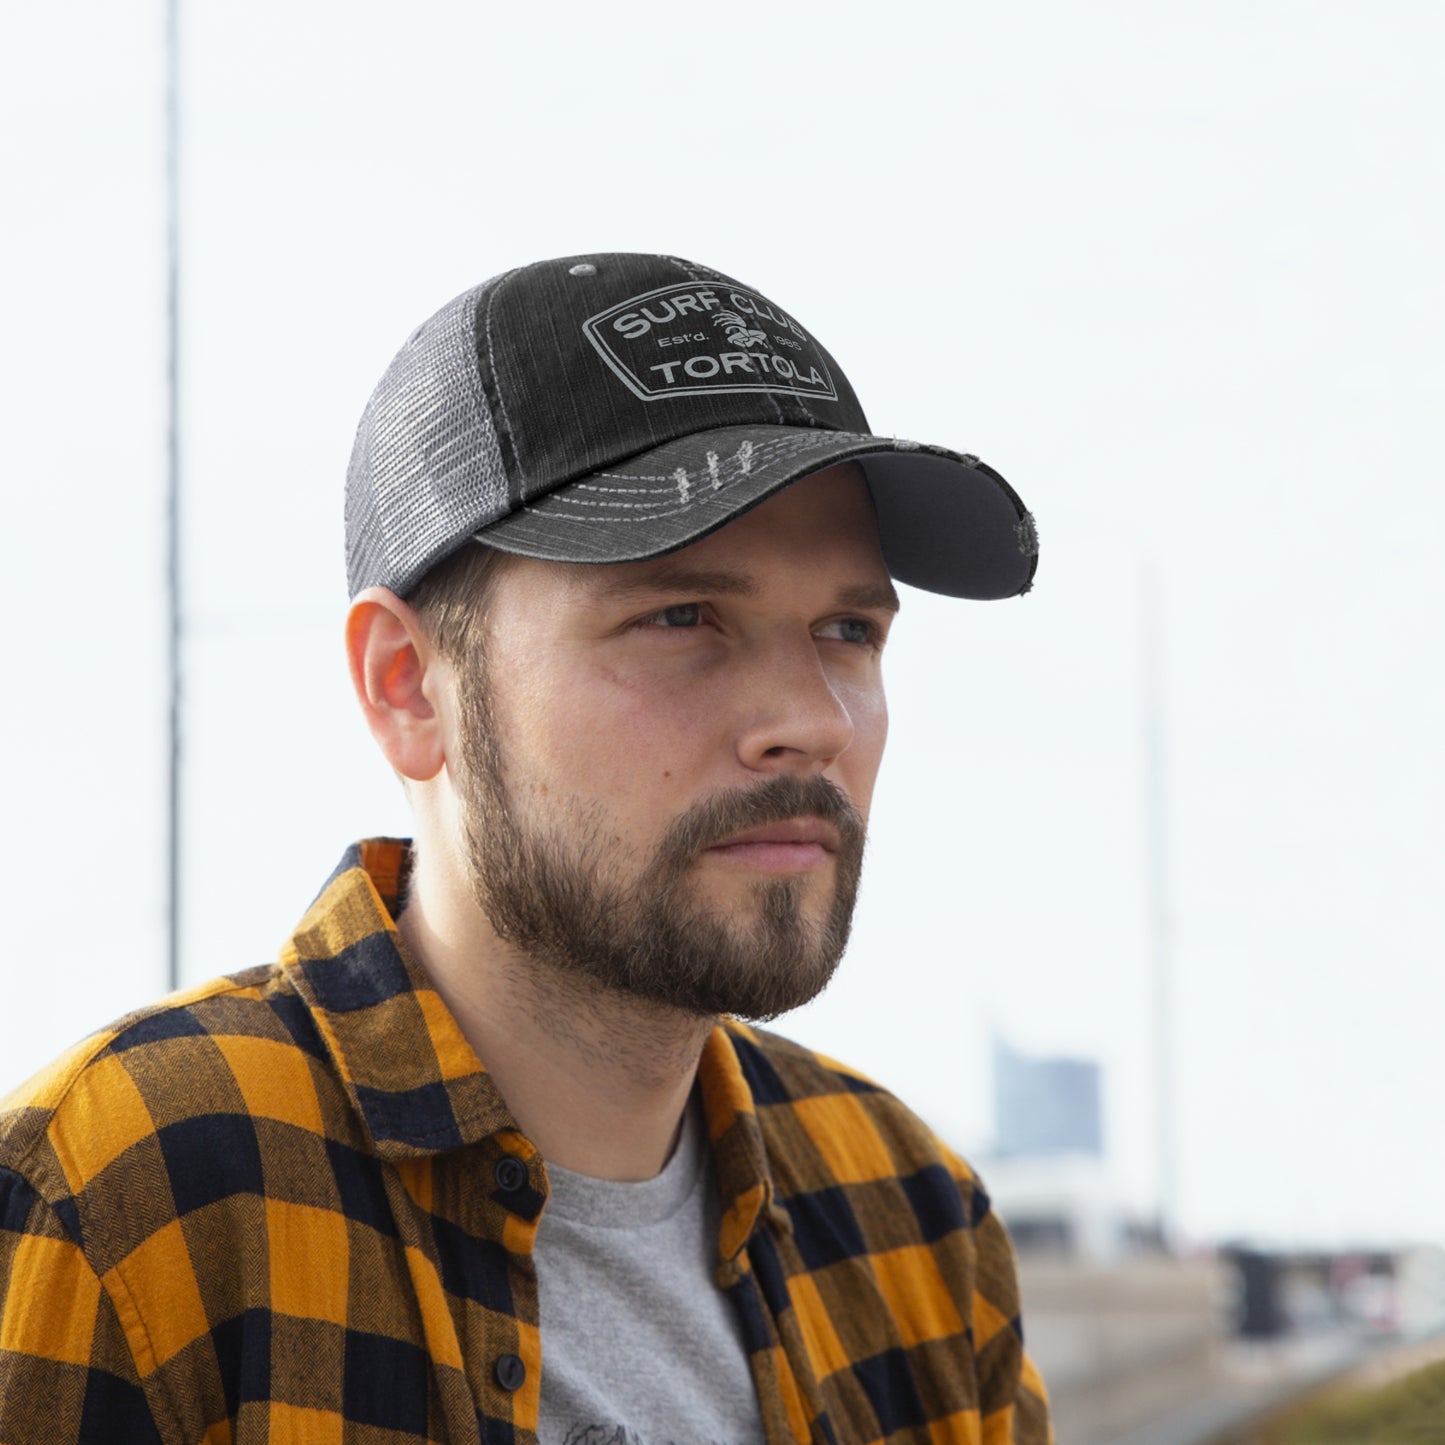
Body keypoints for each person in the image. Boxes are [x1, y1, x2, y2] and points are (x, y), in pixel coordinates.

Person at [0, 252, 1051, 1444]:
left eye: (847, 629)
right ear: (408, 687)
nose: (809, 719)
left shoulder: (910, 1217)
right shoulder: (125, 1196)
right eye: (679, 616)